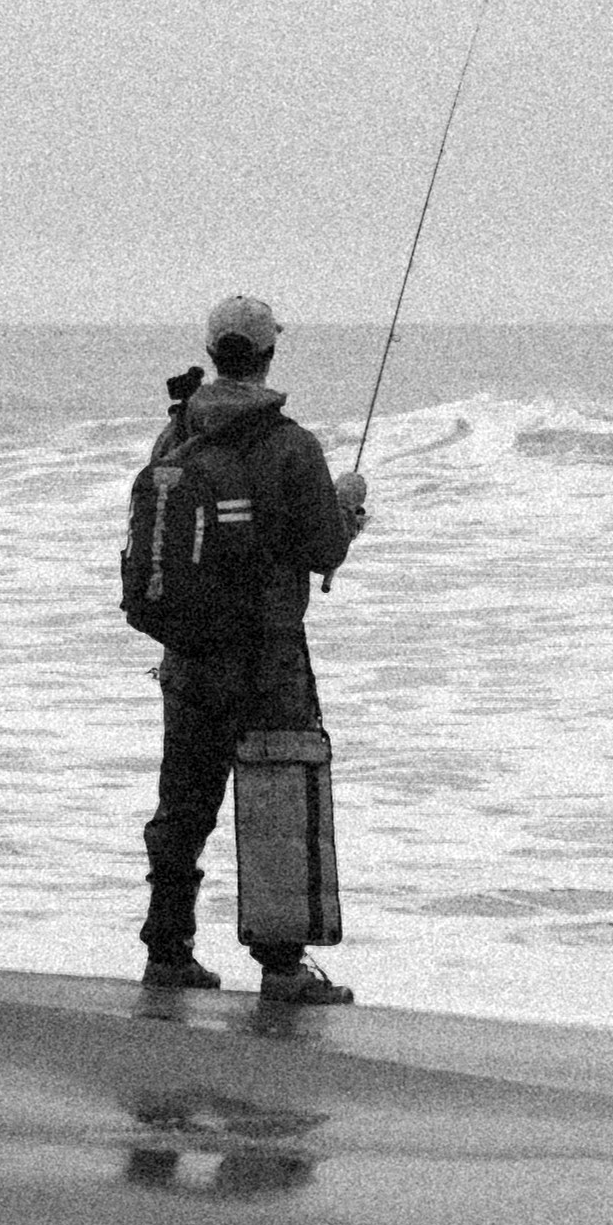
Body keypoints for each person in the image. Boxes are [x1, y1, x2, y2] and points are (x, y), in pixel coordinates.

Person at [126, 292, 370, 999]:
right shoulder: (290, 445)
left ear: (211, 351)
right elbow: (322, 546)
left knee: (183, 804)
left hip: (189, 654)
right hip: (268, 657)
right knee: (278, 800)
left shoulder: (174, 437)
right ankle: (281, 964)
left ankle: (167, 949)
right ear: (268, 353)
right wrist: (346, 507)